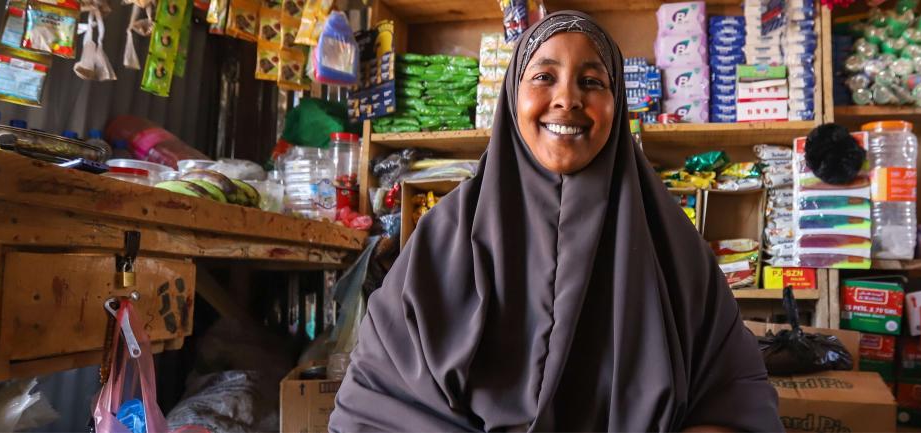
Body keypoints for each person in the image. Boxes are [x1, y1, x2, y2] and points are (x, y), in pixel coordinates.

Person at [330, 11, 781, 432]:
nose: (567, 99)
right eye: (544, 77)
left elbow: (736, 395)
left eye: (592, 82)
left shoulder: (673, 245)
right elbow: (375, 401)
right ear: (512, 95)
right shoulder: (445, 238)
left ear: (617, 102)